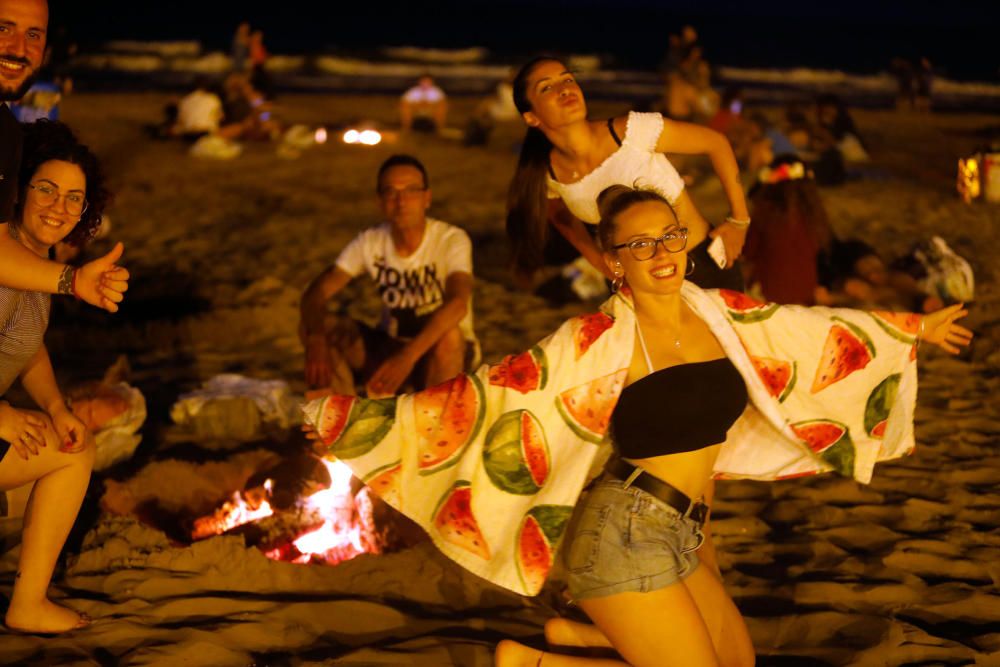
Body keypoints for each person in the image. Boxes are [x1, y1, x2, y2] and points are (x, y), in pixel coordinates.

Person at [303, 184, 971, 665]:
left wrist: (911, 327)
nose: (663, 251)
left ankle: (546, 659)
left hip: (682, 532)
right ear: (614, 260)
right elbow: (490, 398)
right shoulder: (598, 337)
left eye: (671, 235)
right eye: (641, 243)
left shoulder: (720, 312)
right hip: (622, 536)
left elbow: (808, 334)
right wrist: (351, 419)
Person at [506, 56, 750, 294]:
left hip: (702, 267)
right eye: (547, 87)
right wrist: (604, 266)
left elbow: (716, 143)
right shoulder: (546, 173)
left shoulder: (632, 132)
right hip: (643, 286)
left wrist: (739, 221)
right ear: (531, 117)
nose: (564, 89)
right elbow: (562, 217)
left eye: (568, 80)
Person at [1, 120, 110, 634]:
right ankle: (27, 604)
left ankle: (27, 603)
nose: (58, 207)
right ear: (18, 189)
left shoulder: (32, 263)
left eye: (74, 197)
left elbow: (25, 348)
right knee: (75, 461)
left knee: (71, 446)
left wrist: (56, 407)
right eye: (46, 189)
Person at [300, 154, 478, 398]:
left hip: (439, 352)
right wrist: (316, 340)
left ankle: (436, 426)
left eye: (411, 190)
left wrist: (407, 357)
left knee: (450, 335)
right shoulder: (370, 242)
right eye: (391, 191)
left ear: (427, 198)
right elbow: (316, 294)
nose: (401, 201)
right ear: (380, 201)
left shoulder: (450, 239)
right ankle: (339, 422)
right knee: (318, 326)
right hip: (392, 344)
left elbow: (458, 305)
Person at [0, 0, 129, 313]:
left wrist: (72, 280)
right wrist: (72, 280)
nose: (19, 48)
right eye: (3, 28)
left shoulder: (6, 131)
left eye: (34, 34)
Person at [742, 155, 833, 305]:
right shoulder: (815, 217)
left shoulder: (766, 213)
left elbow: (748, 252)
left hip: (769, 296)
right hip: (805, 297)